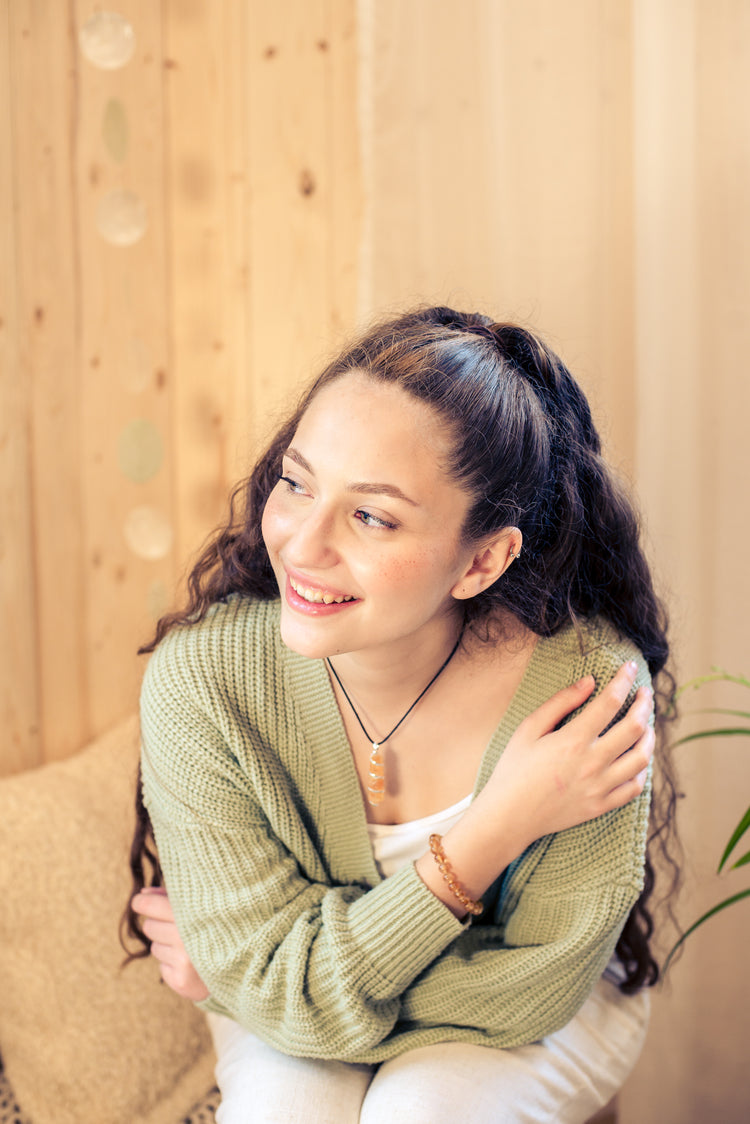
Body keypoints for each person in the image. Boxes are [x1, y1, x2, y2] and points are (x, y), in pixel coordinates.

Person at [123, 307, 676, 1124]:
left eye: (372, 516)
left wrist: (275, 981)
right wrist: (500, 824)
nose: (303, 546)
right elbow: (272, 992)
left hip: (554, 1012)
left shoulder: (587, 693)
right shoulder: (205, 679)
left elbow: (537, 989)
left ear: (483, 559)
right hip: (315, 995)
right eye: (296, 483)